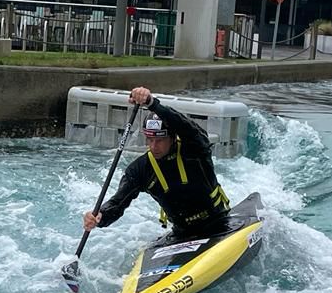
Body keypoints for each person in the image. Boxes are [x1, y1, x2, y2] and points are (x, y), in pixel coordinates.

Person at [82, 86, 232, 242]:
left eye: (160, 140)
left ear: (173, 138)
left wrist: (152, 103)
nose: (154, 146)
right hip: (182, 233)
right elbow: (118, 203)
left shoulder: (195, 149)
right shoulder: (140, 169)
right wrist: (100, 216)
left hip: (218, 223)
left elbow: (185, 126)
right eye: (150, 140)